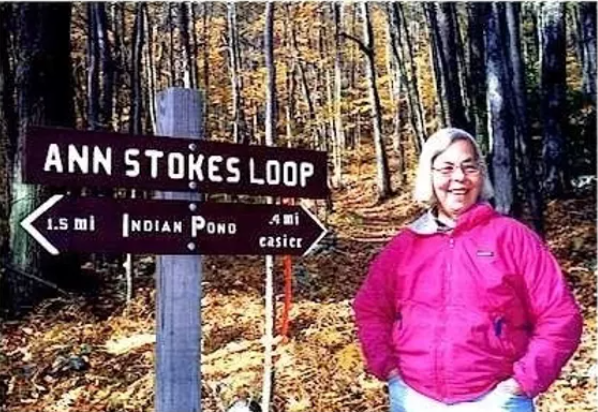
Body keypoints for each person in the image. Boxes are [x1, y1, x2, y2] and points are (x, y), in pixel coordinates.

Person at [353, 128, 583, 412]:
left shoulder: (513, 237)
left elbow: (560, 316)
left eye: (469, 166)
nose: (459, 178)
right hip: (414, 398)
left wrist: (521, 383)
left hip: (496, 400)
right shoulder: (404, 246)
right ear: (430, 175)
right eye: (446, 168)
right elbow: (370, 310)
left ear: (481, 174)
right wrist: (389, 370)